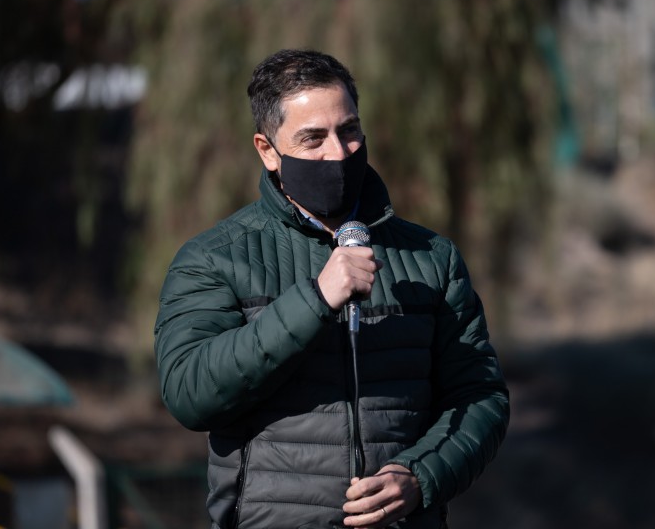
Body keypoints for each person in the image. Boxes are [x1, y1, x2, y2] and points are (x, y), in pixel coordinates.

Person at [154, 49, 509, 529]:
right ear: (267, 151)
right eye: (312, 138)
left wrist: (420, 475)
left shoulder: (432, 258)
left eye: (349, 131)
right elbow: (190, 393)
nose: (338, 154)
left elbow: (480, 397)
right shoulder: (215, 258)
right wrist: (313, 301)